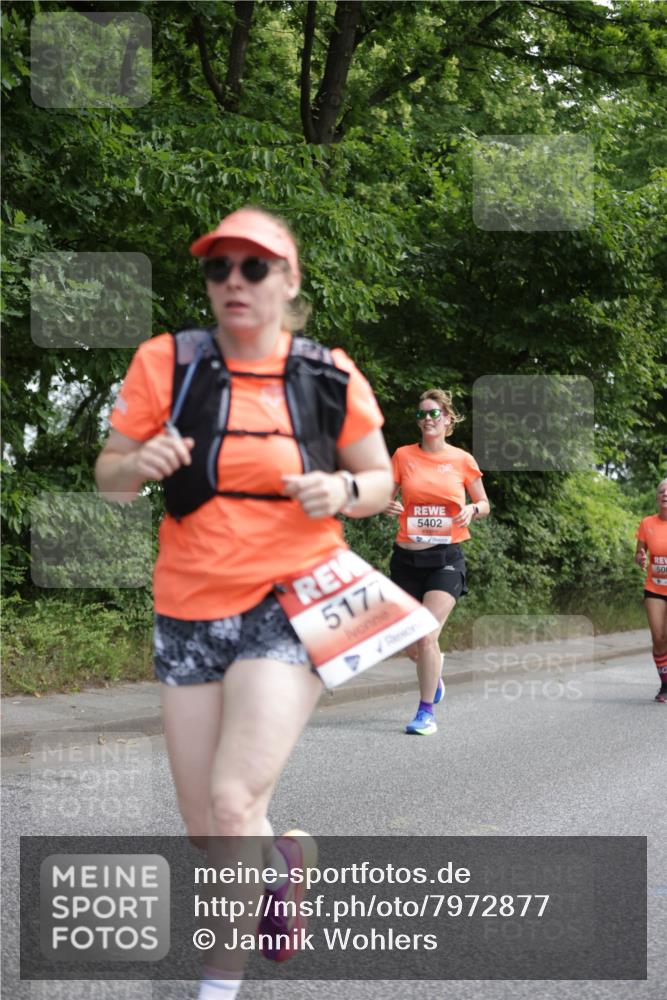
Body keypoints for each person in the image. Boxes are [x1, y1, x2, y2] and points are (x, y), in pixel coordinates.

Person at [95, 206, 393, 998]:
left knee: (231, 807)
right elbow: (110, 478)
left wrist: (343, 487)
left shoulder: (327, 375)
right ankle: (281, 863)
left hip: (292, 601)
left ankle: (218, 988)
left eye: (253, 267)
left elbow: (382, 482)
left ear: (288, 282)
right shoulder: (169, 363)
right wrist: (139, 464)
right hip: (189, 608)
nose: (233, 280)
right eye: (218, 267)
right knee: (208, 832)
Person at [385, 389, 489, 735]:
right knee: (410, 643)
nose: (427, 419)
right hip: (405, 560)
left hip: (446, 559)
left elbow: (484, 503)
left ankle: (425, 712)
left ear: (447, 419)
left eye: (434, 414)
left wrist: (472, 509)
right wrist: (386, 505)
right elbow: (384, 496)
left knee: (427, 635)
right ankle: (435, 677)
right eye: (422, 414)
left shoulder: (462, 459)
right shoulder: (402, 456)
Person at [635, 477, 667, 703]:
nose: (665, 495)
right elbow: (639, 553)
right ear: (657, 498)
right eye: (662, 492)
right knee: (658, 637)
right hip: (654, 588)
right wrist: (640, 557)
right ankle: (665, 685)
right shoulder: (647, 523)